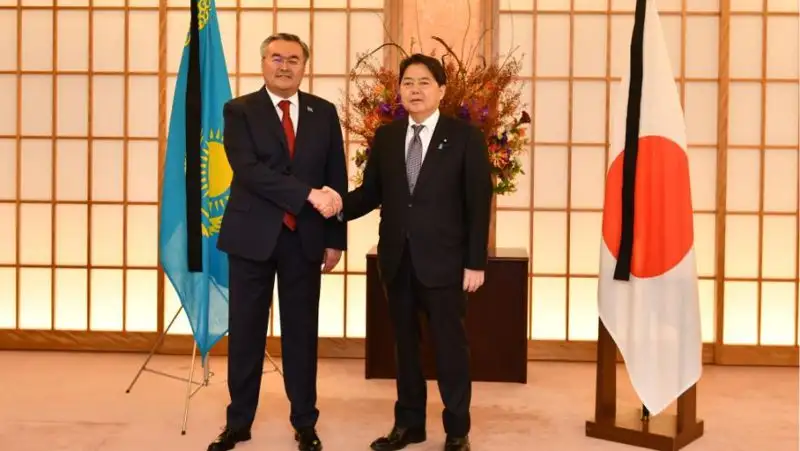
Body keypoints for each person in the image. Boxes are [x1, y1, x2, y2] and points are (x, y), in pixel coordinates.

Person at [338, 53, 493, 451]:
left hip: (445, 263)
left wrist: (475, 262)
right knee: (404, 348)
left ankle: (457, 430)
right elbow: (371, 193)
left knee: (450, 350)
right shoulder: (387, 137)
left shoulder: (465, 137)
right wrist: (334, 205)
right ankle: (409, 425)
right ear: (399, 91)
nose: (415, 89)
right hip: (397, 260)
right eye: (407, 82)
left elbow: (478, 203)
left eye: (424, 82)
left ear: (441, 90)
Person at [209, 33, 346, 451]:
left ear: (304, 66)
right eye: (276, 58)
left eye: (293, 59)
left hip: (305, 238)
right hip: (251, 237)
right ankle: (238, 423)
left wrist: (335, 238)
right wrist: (306, 194)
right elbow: (249, 171)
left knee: (302, 334)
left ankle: (305, 423)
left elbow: (335, 178)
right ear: (263, 63)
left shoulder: (323, 112)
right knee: (246, 333)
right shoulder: (239, 110)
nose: (284, 66)